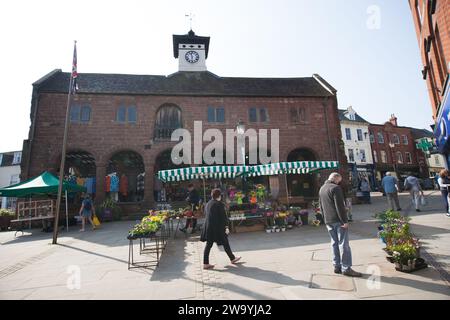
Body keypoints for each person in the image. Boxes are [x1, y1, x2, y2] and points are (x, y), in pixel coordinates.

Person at [319, 173, 362, 277]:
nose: (339, 182)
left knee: (334, 243)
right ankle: (346, 268)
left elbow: (320, 206)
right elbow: (340, 206)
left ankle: (337, 266)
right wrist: (345, 221)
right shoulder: (336, 188)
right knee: (344, 244)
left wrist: (325, 219)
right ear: (335, 179)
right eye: (339, 180)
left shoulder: (322, 189)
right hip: (338, 221)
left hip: (328, 220)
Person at [201, 188, 241, 270]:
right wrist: (226, 227)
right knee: (225, 242)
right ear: (219, 196)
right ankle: (232, 258)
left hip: (209, 227)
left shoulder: (208, 203)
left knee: (209, 245)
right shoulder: (219, 204)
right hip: (217, 228)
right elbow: (223, 217)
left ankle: (205, 263)